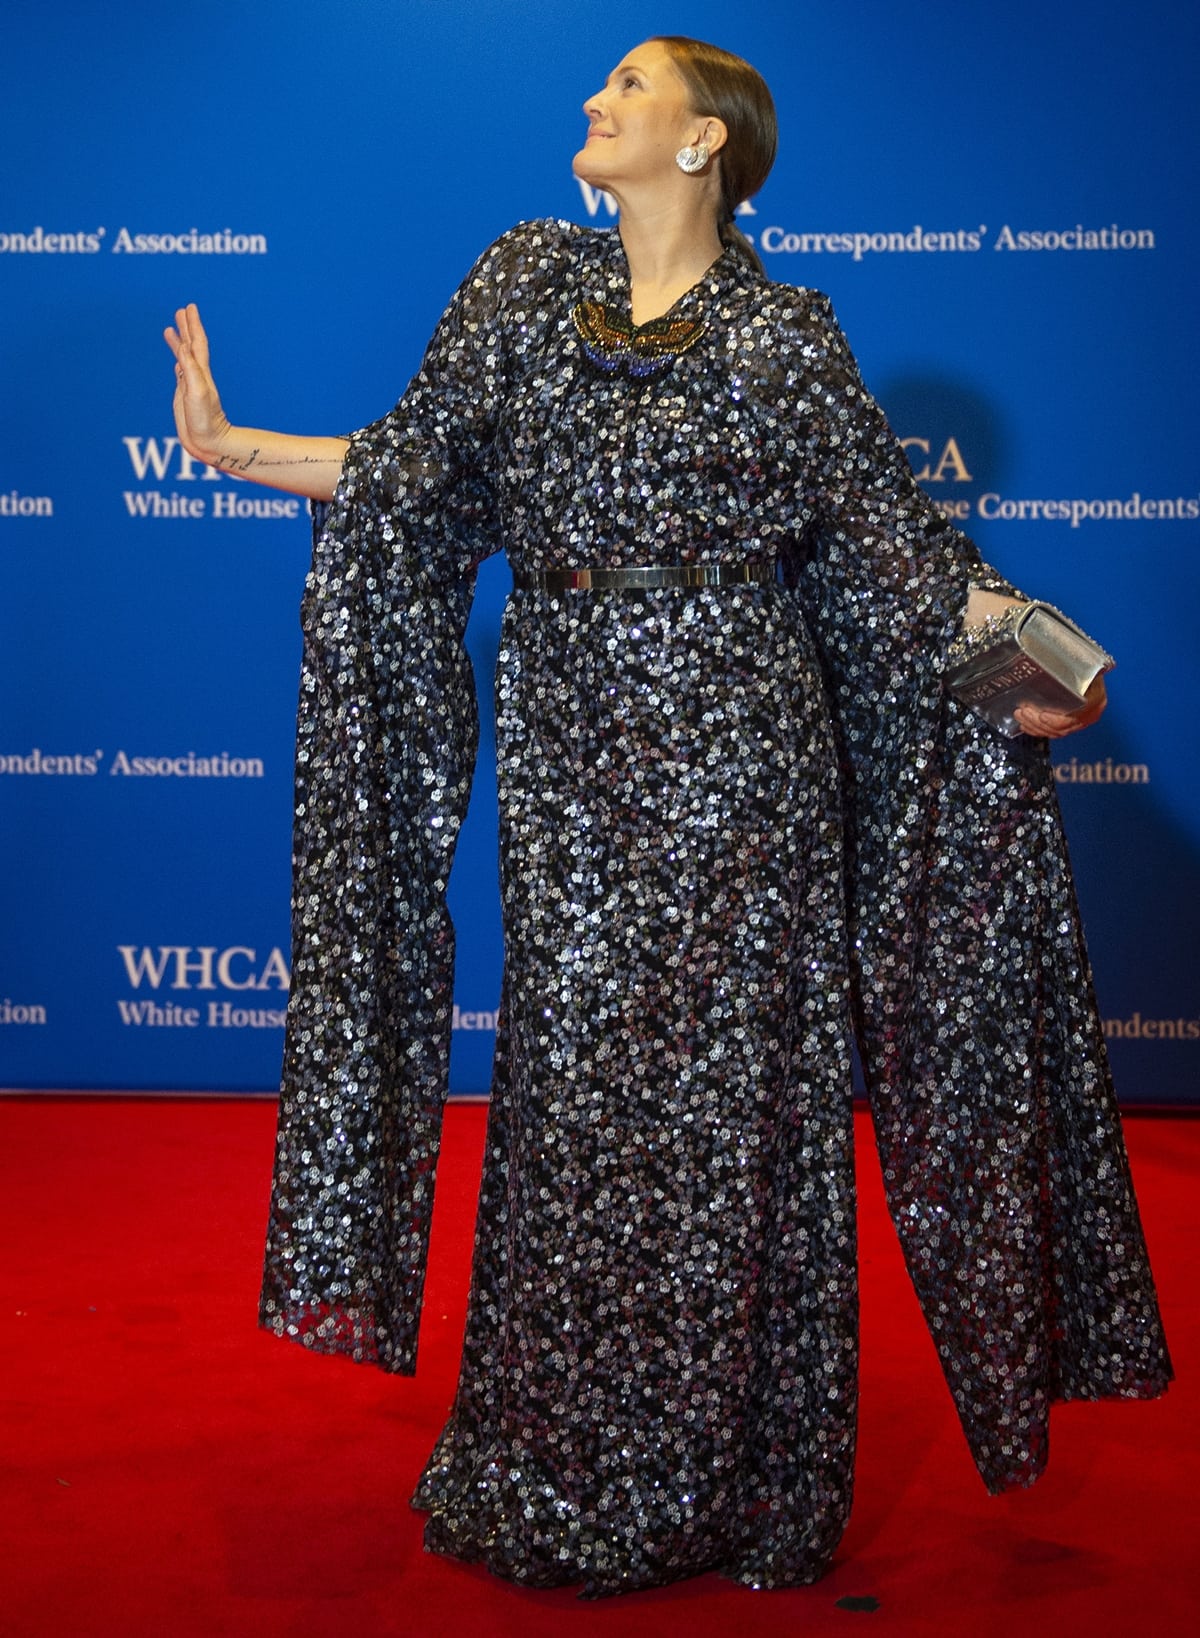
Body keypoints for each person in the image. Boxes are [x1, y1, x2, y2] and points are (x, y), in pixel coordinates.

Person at [165, 36, 1170, 1596]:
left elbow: (902, 560)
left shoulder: (786, 340)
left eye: (630, 85)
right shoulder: (517, 290)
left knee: (721, 1119)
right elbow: (412, 477)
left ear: (706, 142)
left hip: (744, 784)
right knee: (573, 1103)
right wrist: (234, 452)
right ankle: (560, 1454)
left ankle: (731, 1473)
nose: (595, 100)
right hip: (573, 773)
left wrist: (1048, 668)